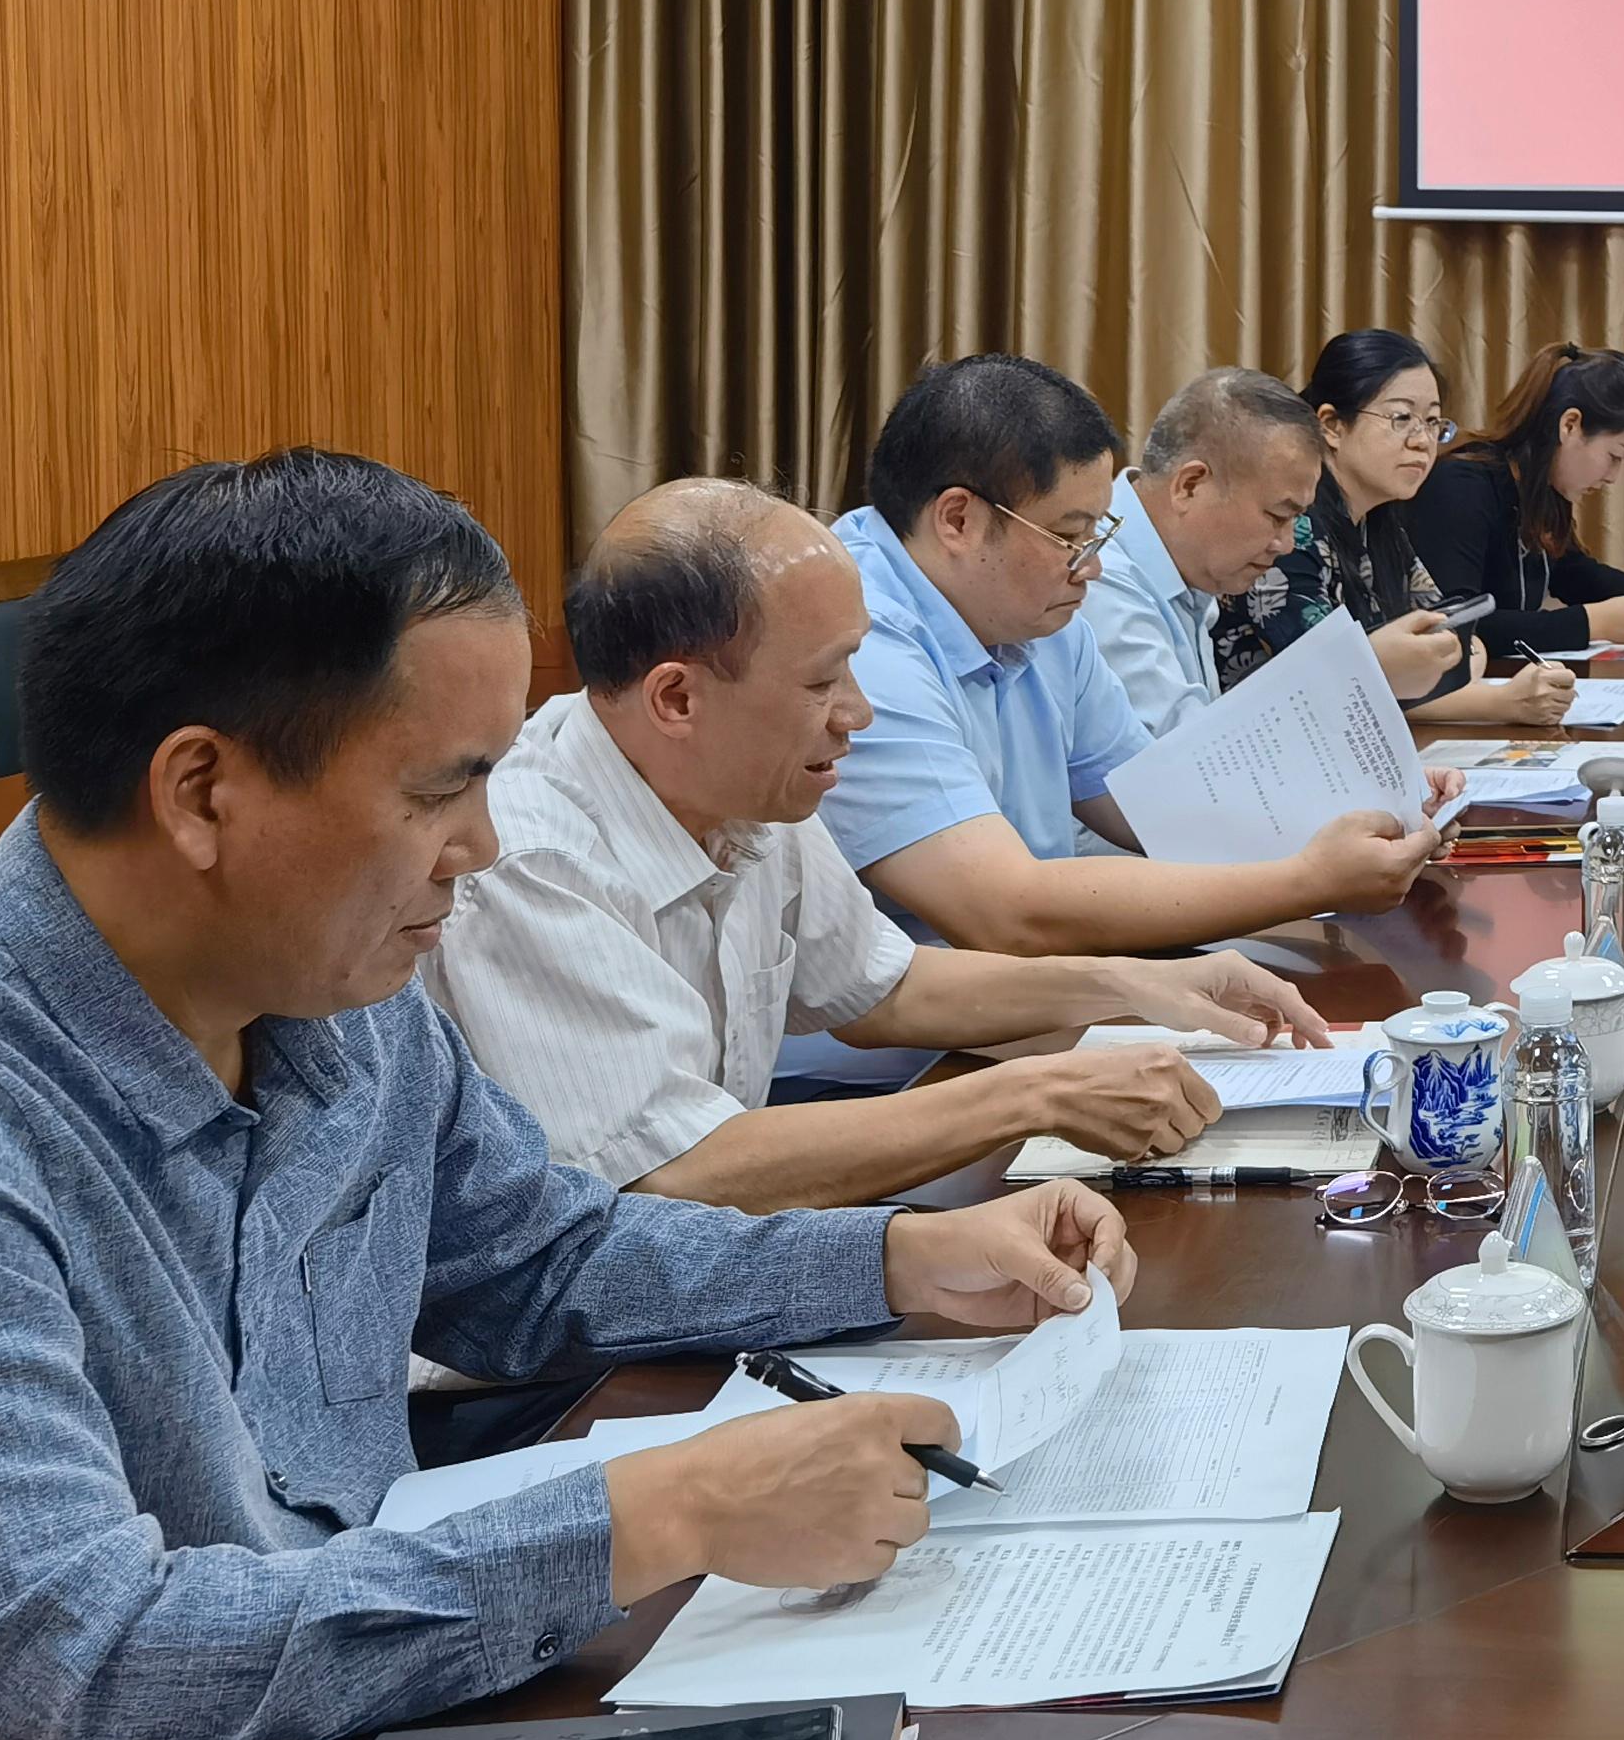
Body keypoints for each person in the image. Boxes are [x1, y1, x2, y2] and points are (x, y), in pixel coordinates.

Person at [0, 450, 1137, 1740]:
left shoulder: (331, 986)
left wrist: (896, 1260)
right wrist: (660, 1513)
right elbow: (80, 1687)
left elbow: (542, 1258)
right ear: (203, 792)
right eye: (445, 789)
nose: (481, 848)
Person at [431, 478, 1336, 1212]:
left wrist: (1139, 987)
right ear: (677, 698)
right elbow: (674, 1174)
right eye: (823, 681)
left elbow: (879, 986)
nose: (857, 714)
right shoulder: (531, 860)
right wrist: (1039, 1092)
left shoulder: (747, 789)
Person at [822, 354, 1440, 994]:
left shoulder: (1040, 615)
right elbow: (1004, 912)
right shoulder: (861, 640)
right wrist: (1310, 880)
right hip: (913, 1028)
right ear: (958, 520)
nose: (1092, 566)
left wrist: (1365, 809)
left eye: (1099, 532)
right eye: (1072, 536)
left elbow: (1160, 806)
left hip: (1037, 993)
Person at [1082, 365, 1455, 732]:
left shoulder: (1190, 568)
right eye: (1277, 516)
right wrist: (1361, 672)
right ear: (1191, 485)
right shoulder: (1100, 577)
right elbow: (1184, 756)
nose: (1286, 543)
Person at [1241, 329, 1573, 733]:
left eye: (1432, 422)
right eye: (1401, 418)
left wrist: (1418, 669)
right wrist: (1501, 702)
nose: (1423, 442)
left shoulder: (1381, 522)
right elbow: (1325, 689)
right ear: (1331, 425)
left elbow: (1457, 640)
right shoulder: (1293, 527)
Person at [1402, 342, 1624, 658]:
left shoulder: (1539, 492)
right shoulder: (1461, 486)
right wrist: (1592, 623)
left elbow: (1579, 576)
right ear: (1570, 425)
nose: (1613, 477)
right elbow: (1455, 623)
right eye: (1615, 456)